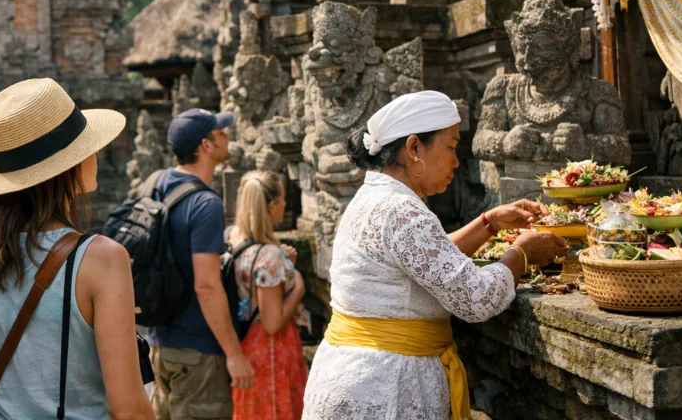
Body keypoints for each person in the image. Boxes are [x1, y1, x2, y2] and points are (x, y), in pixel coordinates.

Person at [302, 91, 568, 420]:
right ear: (414, 148)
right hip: (386, 387)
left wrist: (489, 223)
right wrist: (523, 252)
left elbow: (428, 260)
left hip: (355, 375)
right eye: (452, 146)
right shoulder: (402, 211)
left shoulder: (376, 197)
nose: (457, 162)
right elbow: (476, 298)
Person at [0, 78, 154, 420]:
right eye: (86, 146)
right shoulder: (101, 259)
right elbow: (129, 408)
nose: (95, 152)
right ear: (67, 165)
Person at [147, 108, 255, 420]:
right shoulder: (206, 204)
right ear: (206, 145)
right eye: (221, 133)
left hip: (159, 344)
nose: (227, 137)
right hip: (197, 351)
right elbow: (206, 287)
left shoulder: (154, 183)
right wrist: (234, 355)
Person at [226, 170, 308, 420]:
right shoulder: (269, 256)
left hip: (246, 342)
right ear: (271, 206)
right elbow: (272, 322)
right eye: (282, 199)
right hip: (271, 351)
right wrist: (298, 281)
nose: (285, 204)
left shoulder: (233, 237)